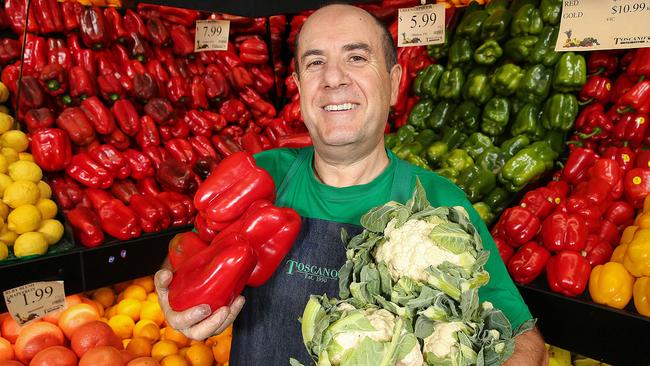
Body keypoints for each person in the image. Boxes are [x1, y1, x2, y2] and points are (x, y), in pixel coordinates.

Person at [155, 4, 548, 365]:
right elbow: (187, 255)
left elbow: (523, 339)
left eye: (356, 58)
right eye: (314, 64)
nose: (333, 79)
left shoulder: (442, 203)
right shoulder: (261, 176)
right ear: (298, 85)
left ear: (394, 83)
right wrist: (173, 294)